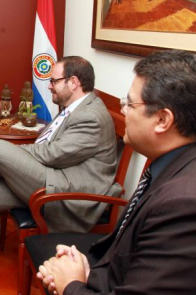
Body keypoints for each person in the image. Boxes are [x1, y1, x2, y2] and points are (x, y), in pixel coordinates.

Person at [0, 56, 118, 282]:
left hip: (69, 194)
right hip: (55, 178)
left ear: (73, 82)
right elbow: (50, 149)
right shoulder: (75, 107)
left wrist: (17, 154)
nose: (49, 85)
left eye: (54, 81)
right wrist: (19, 155)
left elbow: (52, 154)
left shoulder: (91, 116)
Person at [37, 50, 196, 294]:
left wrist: (71, 284)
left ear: (163, 120)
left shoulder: (183, 203)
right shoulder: (171, 163)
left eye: (130, 104)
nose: (123, 112)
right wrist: (88, 270)